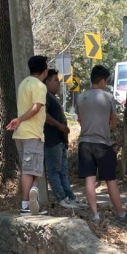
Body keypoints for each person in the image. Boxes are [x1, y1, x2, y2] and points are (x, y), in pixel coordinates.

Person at [75, 65, 127, 223]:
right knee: (110, 179)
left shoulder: (80, 97)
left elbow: (79, 120)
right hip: (103, 143)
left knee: (89, 179)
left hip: (84, 142)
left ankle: (95, 214)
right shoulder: (108, 97)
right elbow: (113, 123)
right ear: (102, 80)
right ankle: (120, 214)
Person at [6, 55, 49, 215]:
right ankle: (26, 204)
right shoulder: (39, 86)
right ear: (44, 70)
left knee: (33, 168)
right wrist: (19, 119)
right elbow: (36, 107)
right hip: (32, 132)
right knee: (30, 170)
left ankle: (32, 197)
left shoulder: (23, 83)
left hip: (21, 134)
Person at [43, 69, 82, 209]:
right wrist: (60, 126)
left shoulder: (52, 96)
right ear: (47, 81)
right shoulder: (45, 96)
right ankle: (61, 197)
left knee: (63, 171)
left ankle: (70, 196)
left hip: (60, 141)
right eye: (55, 80)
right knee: (54, 171)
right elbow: (44, 115)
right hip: (51, 140)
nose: (59, 84)